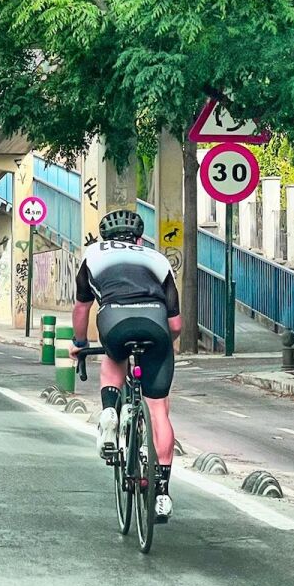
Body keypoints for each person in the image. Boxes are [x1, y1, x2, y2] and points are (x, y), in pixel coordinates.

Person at [71, 209, 182, 522]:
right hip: (155, 323)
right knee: (158, 410)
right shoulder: (158, 260)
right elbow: (176, 324)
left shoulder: (93, 256)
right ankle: (161, 494)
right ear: (139, 238)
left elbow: (82, 308)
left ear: (106, 237)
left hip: (114, 321)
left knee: (113, 354)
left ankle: (109, 412)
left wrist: (79, 344)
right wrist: (161, 344)